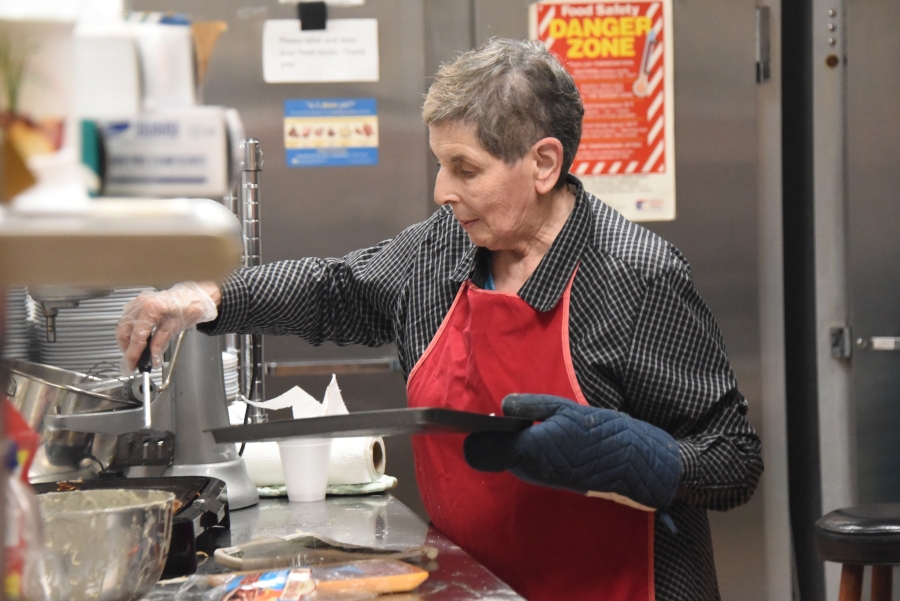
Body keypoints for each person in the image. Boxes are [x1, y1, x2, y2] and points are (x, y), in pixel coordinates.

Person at [117, 38, 762, 601]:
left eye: (466, 169)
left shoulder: (635, 275)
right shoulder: (444, 249)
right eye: (440, 163)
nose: (441, 191)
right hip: (474, 586)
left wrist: (642, 459)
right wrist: (208, 296)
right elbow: (337, 289)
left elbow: (735, 458)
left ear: (543, 164)